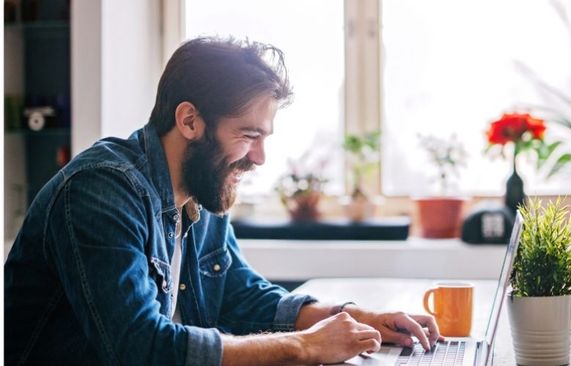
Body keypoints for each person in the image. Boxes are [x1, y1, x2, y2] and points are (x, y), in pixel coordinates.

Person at [5, 36, 440, 365]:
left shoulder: (201, 189)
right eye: (248, 135)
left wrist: (354, 316)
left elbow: (242, 296)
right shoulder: (100, 190)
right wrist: (304, 346)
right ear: (190, 120)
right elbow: (138, 345)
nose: (259, 157)